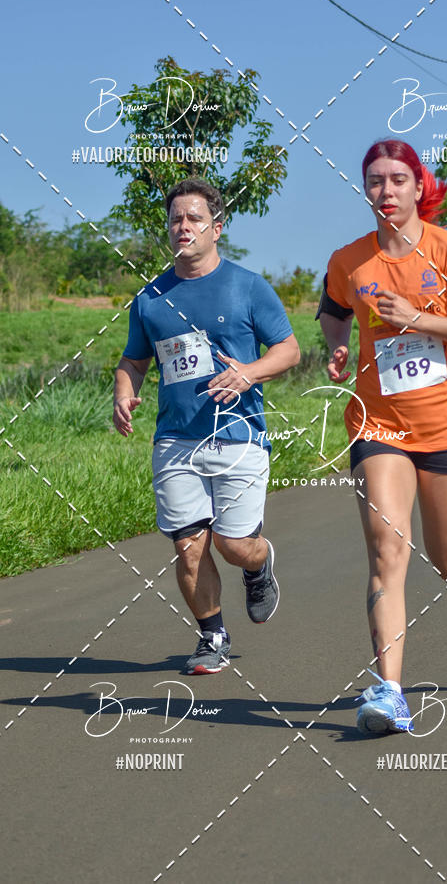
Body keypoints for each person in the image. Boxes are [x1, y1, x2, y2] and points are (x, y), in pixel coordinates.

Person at [318, 139, 447, 735]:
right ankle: (390, 691)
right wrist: (337, 346)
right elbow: (331, 308)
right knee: (386, 550)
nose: (386, 191)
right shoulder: (349, 260)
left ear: (419, 186)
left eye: (398, 179)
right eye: (375, 180)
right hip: (378, 424)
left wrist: (417, 318)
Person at [113, 178, 300, 673]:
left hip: (238, 436)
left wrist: (247, 373)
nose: (183, 227)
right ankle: (212, 635)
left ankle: (259, 565)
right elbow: (133, 361)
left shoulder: (248, 286)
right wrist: (124, 389)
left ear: (217, 227)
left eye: (194, 218)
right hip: (176, 439)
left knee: (233, 544)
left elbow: (288, 350)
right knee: (189, 546)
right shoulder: (151, 298)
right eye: (176, 219)